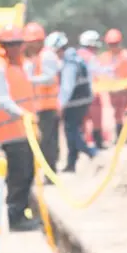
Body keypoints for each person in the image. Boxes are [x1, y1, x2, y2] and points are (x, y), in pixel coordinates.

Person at [0, 25, 41, 232]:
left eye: (18, 44)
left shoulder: (18, 66)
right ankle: (16, 218)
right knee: (19, 175)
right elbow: (3, 100)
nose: (15, 48)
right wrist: (23, 114)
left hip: (25, 131)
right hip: (11, 133)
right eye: (11, 45)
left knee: (27, 173)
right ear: (3, 46)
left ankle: (23, 212)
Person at [46, 32, 97, 172]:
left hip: (76, 102)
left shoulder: (69, 63)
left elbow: (67, 87)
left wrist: (60, 105)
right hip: (81, 101)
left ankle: (93, 154)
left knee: (72, 132)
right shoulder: (74, 58)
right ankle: (71, 163)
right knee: (72, 131)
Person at [23, 22, 62, 174]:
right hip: (40, 106)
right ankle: (46, 170)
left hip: (48, 106)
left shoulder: (46, 56)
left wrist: (29, 79)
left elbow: (50, 78)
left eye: (31, 42)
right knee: (43, 141)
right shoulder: (36, 57)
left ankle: (50, 171)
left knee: (47, 142)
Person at [98, 28, 127, 144]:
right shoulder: (104, 57)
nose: (113, 47)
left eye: (115, 44)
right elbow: (100, 72)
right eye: (111, 44)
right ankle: (120, 137)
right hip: (113, 90)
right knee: (116, 113)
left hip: (125, 89)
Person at [77, 30, 107, 150]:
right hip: (92, 92)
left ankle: (81, 144)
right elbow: (98, 71)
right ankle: (98, 142)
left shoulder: (77, 54)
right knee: (96, 118)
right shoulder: (91, 57)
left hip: (79, 93)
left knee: (82, 119)